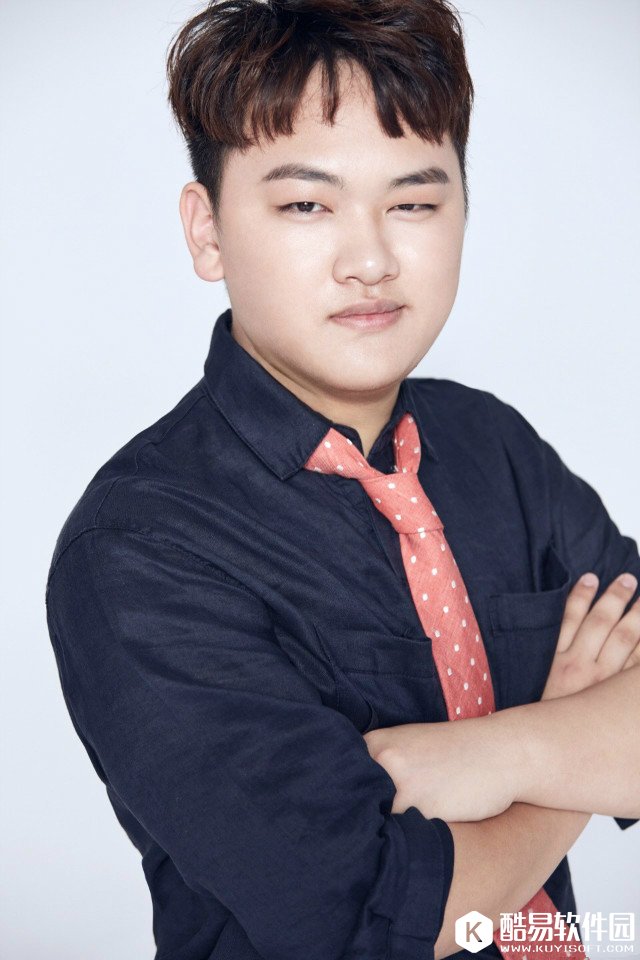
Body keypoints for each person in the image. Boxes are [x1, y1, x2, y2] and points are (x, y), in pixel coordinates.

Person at [44, 1, 640, 958]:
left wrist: (495, 756)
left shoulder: (493, 446)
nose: (371, 261)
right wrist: (579, 756)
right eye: (306, 206)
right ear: (207, 231)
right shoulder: (142, 549)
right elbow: (369, 919)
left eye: (413, 203)